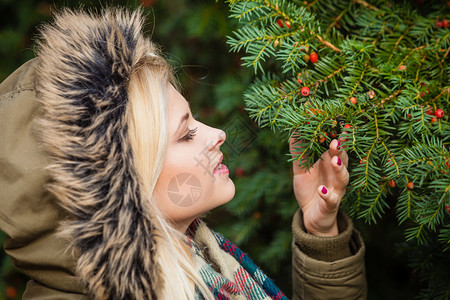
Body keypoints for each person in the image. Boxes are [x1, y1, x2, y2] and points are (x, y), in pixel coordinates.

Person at [0, 7, 366, 300]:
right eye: (186, 134)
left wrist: (322, 235)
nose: (219, 135)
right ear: (123, 187)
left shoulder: (203, 261)